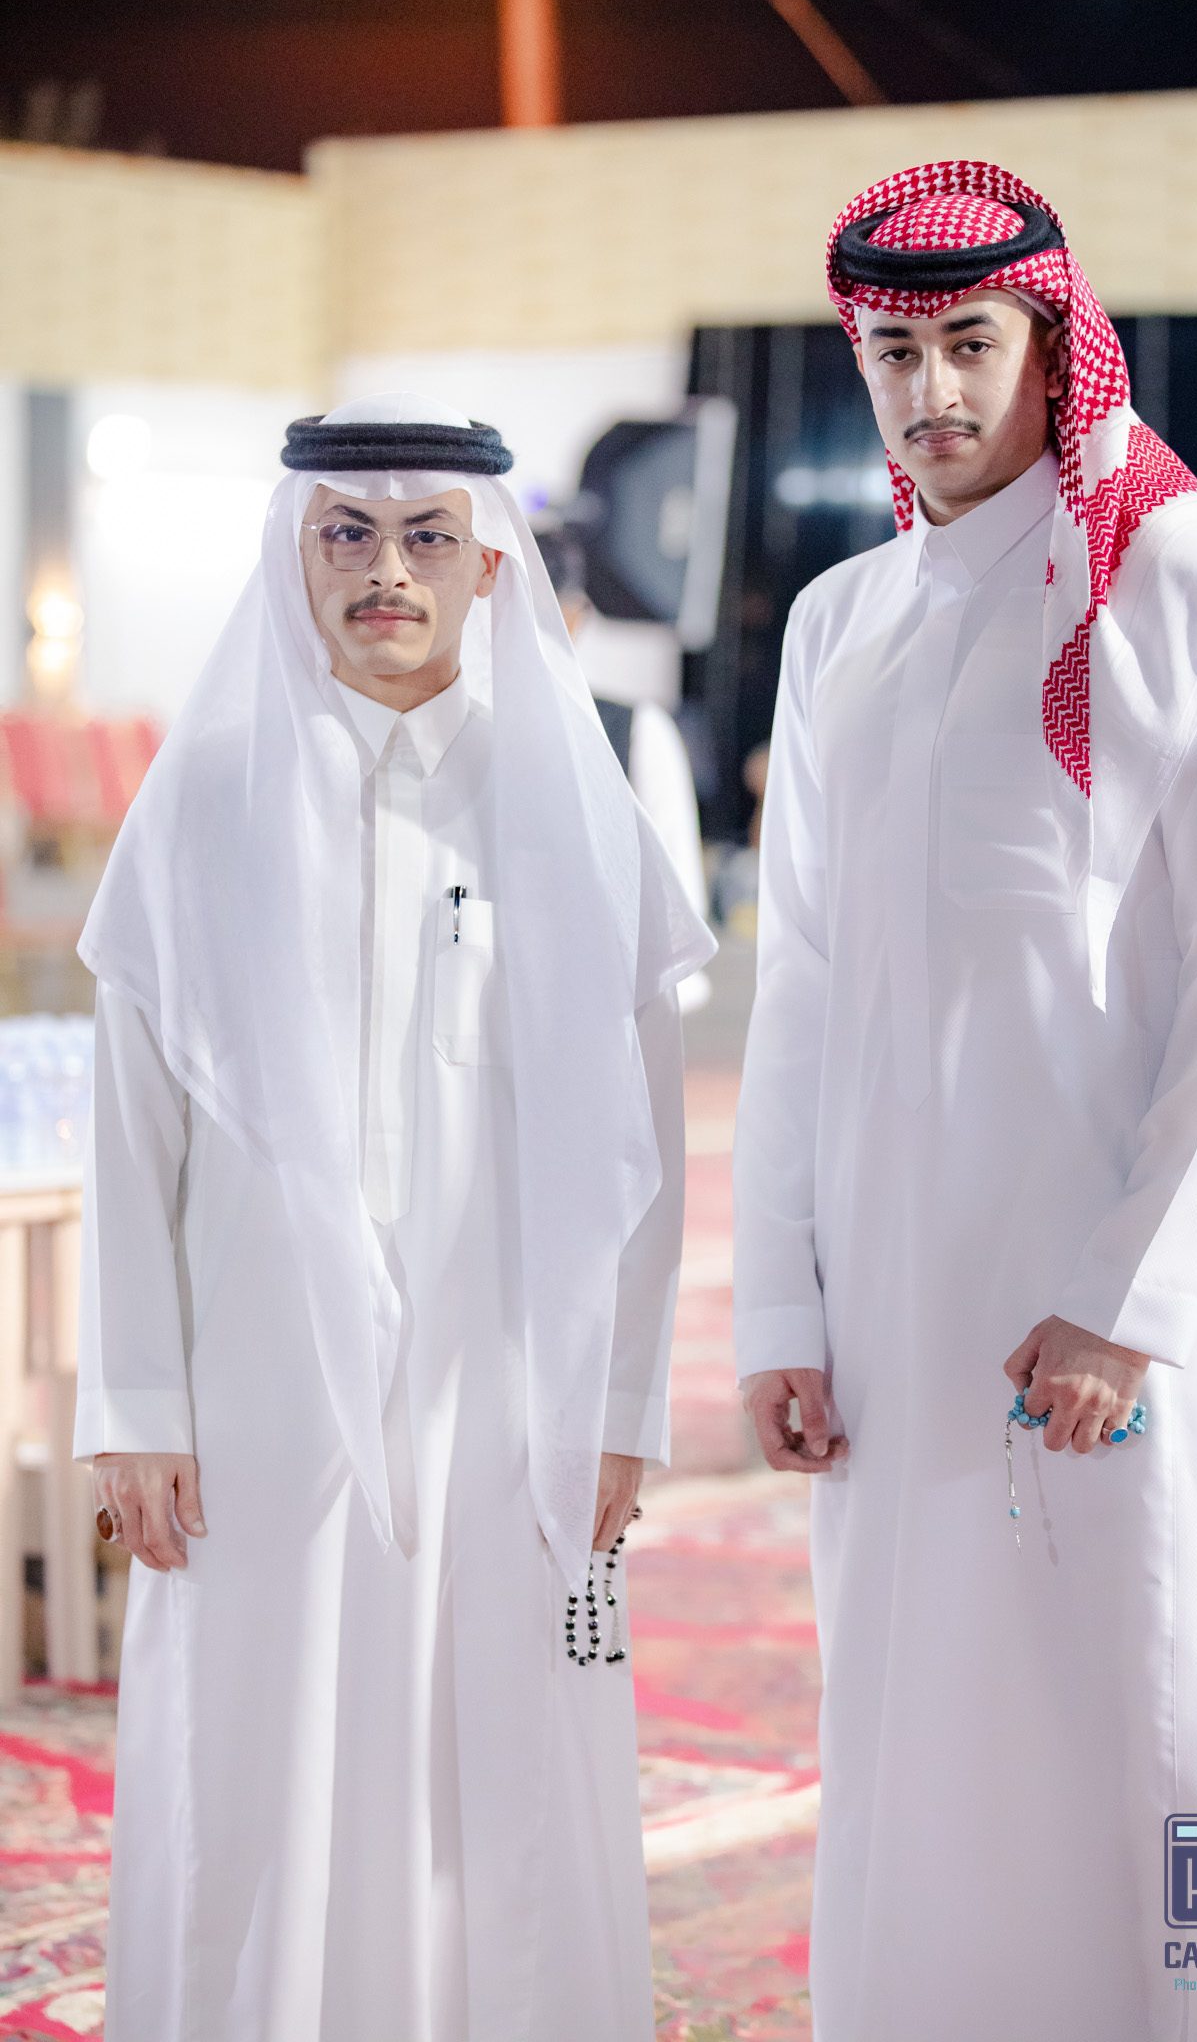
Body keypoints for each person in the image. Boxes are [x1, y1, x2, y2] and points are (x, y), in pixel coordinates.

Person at [733, 162, 1197, 2039]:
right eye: (892, 351)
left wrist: (1127, 1302)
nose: (930, 392)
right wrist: (778, 1306)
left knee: (1162, 1699)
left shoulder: (1187, 589)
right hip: (895, 1306)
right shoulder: (839, 624)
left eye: (968, 343)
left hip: (1110, 1299)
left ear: (1052, 345)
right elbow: (797, 984)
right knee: (923, 1725)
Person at [74, 391, 714, 2042]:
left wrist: (622, 1406)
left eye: (428, 537)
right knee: (257, 1750)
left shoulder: (571, 806)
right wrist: (135, 1404)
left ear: (489, 566)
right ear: (291, 558)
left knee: (492, 1764)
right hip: (258, 1389)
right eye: (347, 535)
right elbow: (133, 1131)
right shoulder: (201, 805)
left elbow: (645, 1147)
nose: (386, 573)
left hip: (505, 1390)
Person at [535, 520, 713, 1011]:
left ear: (574, 618)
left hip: (597, 1020)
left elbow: (674, 927)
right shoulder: (444, 730)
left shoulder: (633, 733)